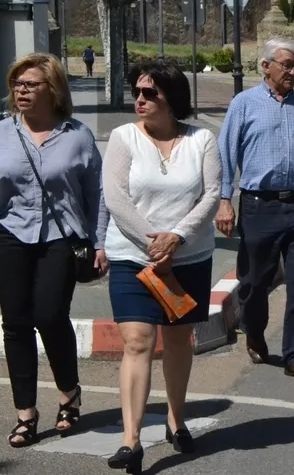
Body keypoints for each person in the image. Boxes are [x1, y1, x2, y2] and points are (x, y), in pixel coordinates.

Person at [0, 53, 107, 448]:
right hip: (11, 233)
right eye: (17, 84)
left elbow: (97, 194)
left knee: (49, 315)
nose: (20, 90)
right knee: (16, 323)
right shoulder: (1, 133)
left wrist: (100, 242)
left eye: (30, 84)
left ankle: (68, 393)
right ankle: (25, 412)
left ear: (52, 89)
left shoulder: (78, 135)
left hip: (62, 237)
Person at [102, 60, 221, 469]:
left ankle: (176, 419)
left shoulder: (201, 139)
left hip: (187, 258)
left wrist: (178, 237)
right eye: (136, 91)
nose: (140, 98)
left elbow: (211, 194)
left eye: (149, 92)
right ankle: (131, 440)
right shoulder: (123, 137)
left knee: (177, 340)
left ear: (171, 97)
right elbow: (115, 198)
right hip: (132, 257)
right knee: (137, 341)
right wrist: (154, 244)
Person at [216, 37, 294, 383]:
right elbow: (225, 154)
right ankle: (254, 330)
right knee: (254, 283)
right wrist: (224, 200)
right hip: (259, 206)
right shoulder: (244, 104)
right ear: (266, 66)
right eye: (286, 65)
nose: (292, 72)